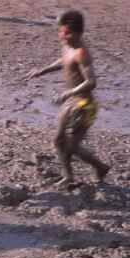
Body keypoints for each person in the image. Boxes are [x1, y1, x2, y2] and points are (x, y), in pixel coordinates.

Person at [26, 10, 109, 187]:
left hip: (84, 105)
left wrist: (68, 93)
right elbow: (64, 60)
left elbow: (91, 82)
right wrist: (42, 70)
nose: (62, 37)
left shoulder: (81, 53)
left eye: (66, 33)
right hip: (71, 103)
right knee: (58, 141)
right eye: (61, 32)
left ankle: (100, 167)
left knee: (72, 147)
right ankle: (69, 176)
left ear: (79, 33)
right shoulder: (68, 46)